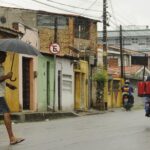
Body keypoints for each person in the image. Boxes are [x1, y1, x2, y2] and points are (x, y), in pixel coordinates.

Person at [0, 51, 24, 145]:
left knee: (6, 113)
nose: (5, 58)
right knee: (6, 113)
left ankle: (12, 138)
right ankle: (12, 138)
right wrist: (7, 76)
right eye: (4, 56)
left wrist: (9, 85)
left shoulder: (1, 66)